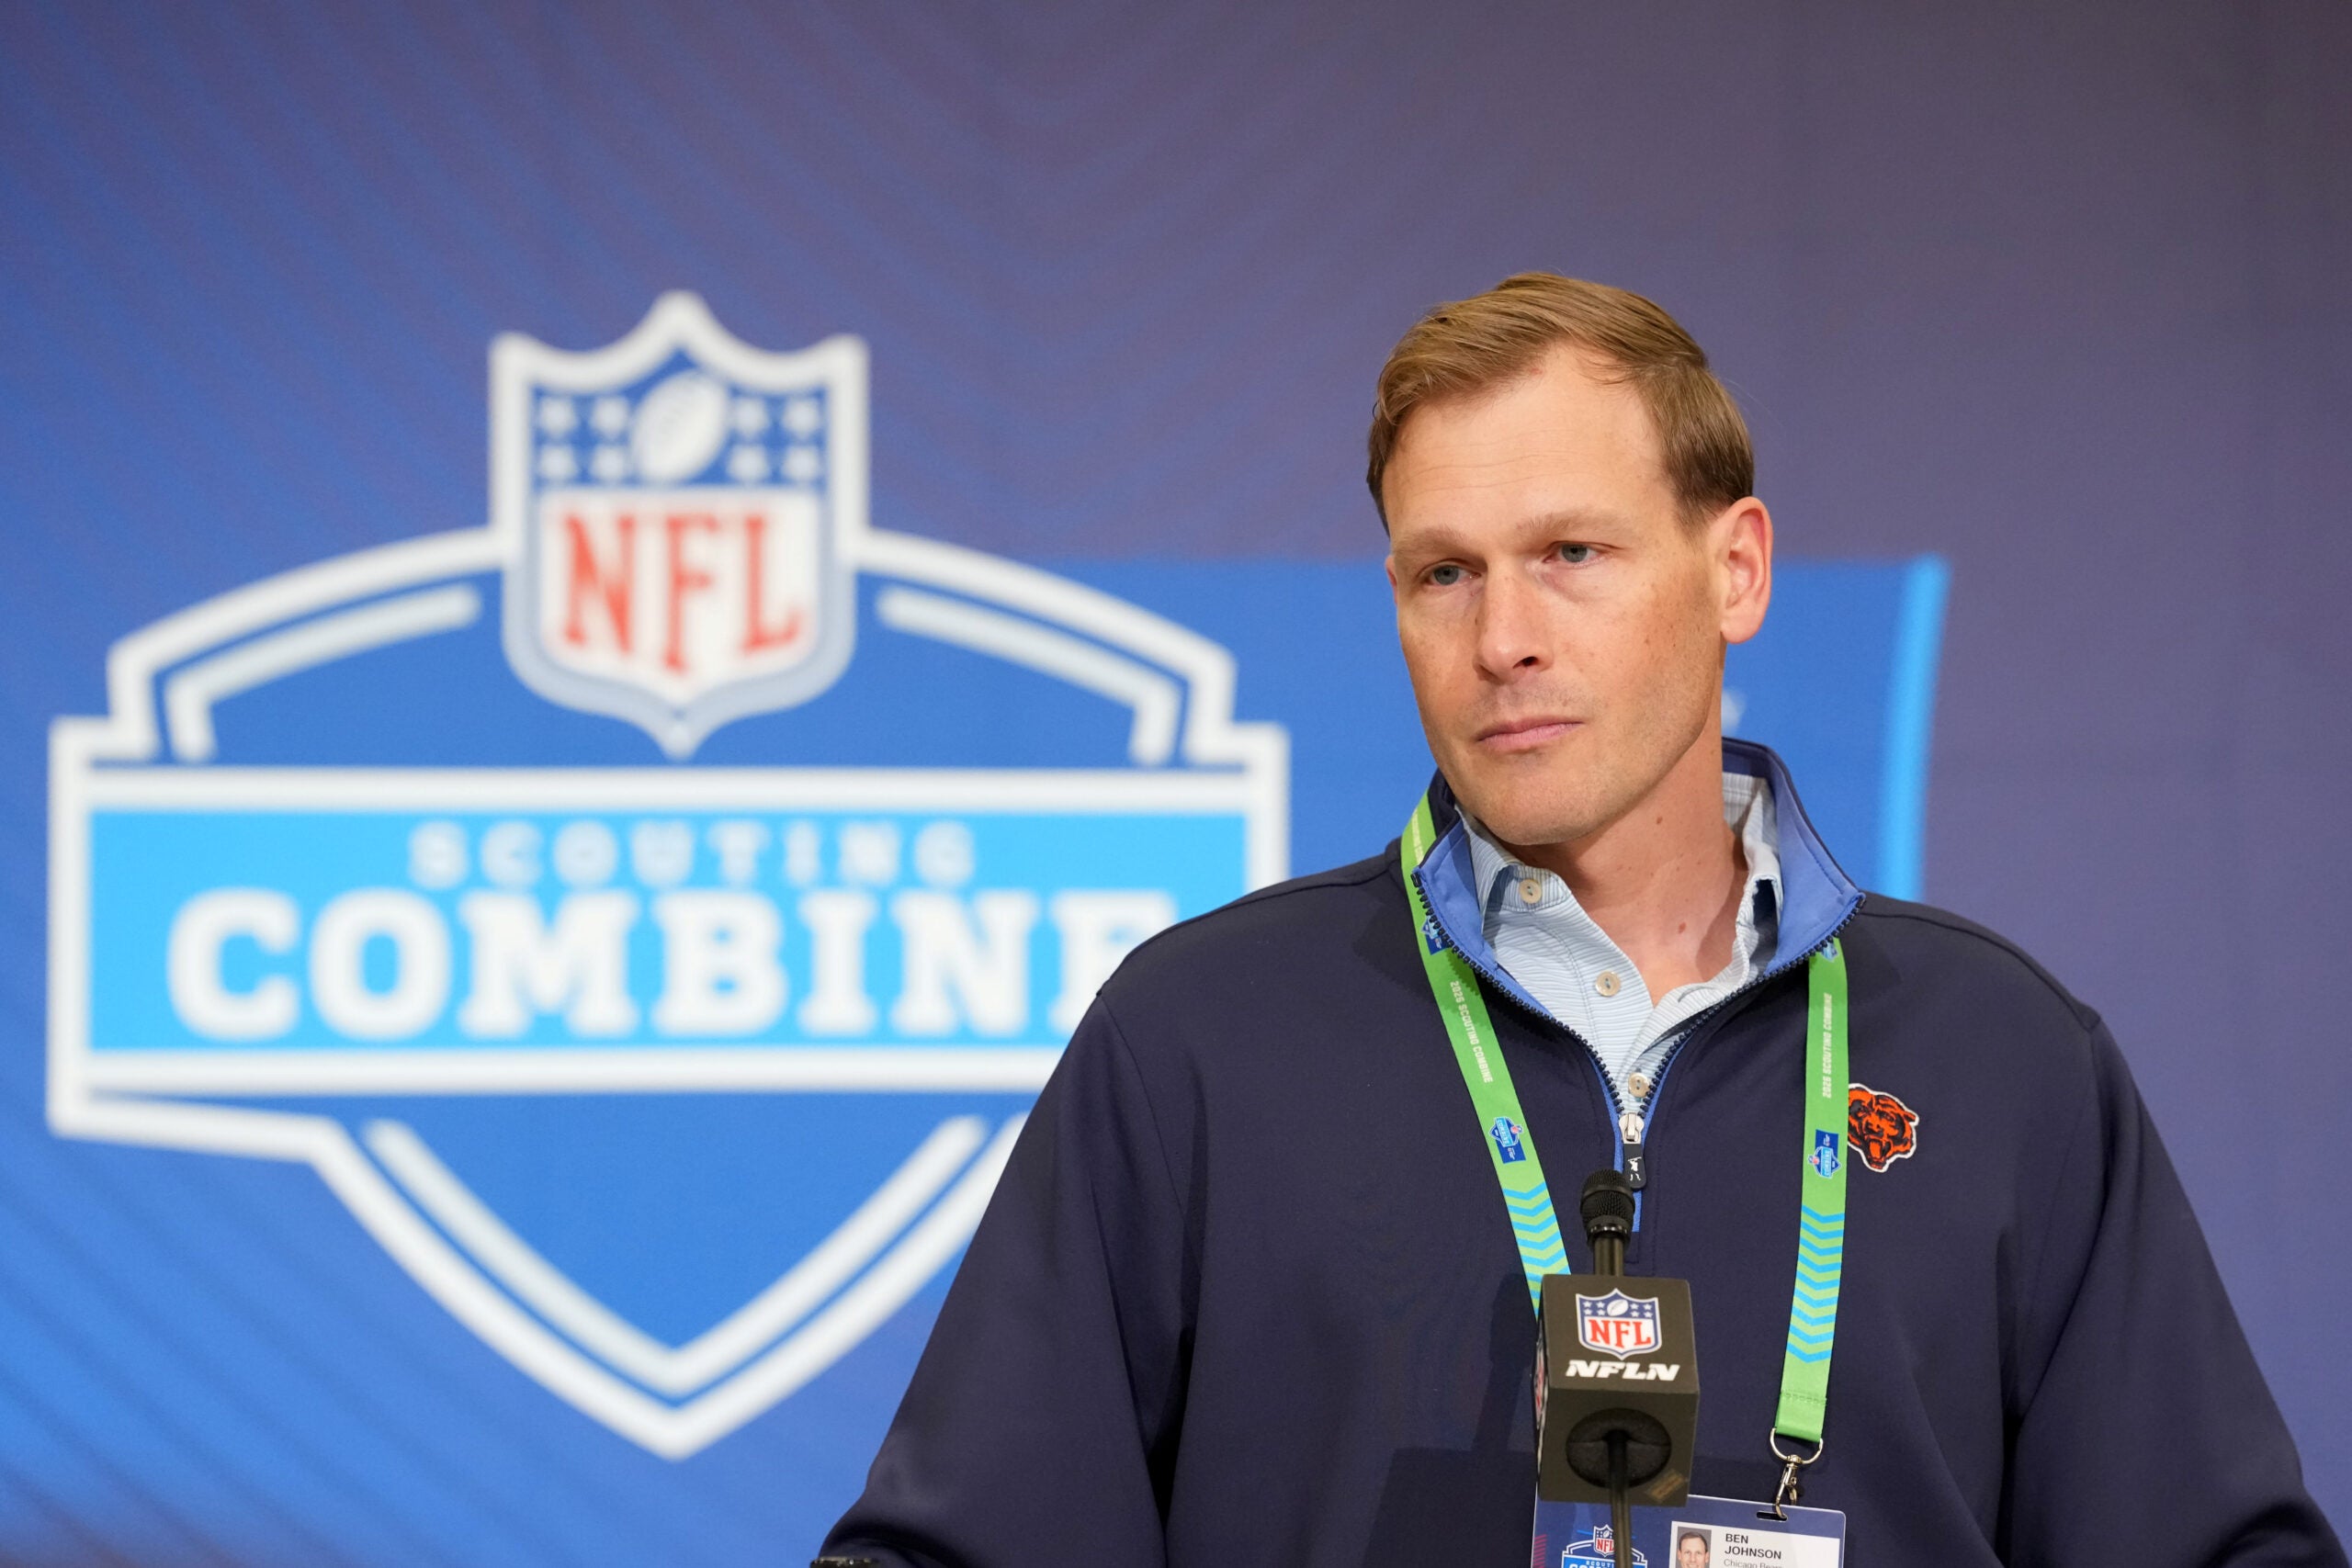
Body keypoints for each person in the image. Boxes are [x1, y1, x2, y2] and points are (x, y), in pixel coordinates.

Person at [820, 275, 2344, 1566]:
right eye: (1442, 574)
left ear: (1733, 569)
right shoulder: (1198, 1041)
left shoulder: (2005, 1058)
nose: (1502, 640)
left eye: (1571, 555)